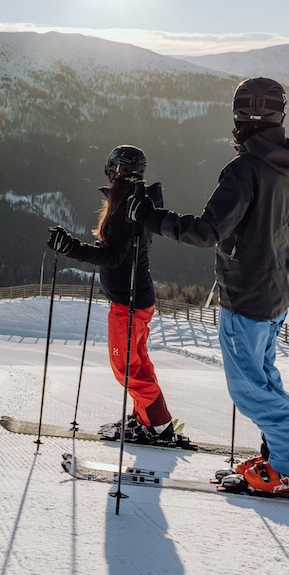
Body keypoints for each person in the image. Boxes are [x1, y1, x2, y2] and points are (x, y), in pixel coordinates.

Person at [128, 77, 289, 496]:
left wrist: (152, 216)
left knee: (249, 390)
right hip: (275, 290)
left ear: (241, 117)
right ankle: (283, 458)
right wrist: (260, 224)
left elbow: (207, 232)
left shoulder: (244, 169)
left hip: (247, 296)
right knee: (266, 380)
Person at [46, 145, 190, 447]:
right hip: (137, 298)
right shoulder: (138, 202)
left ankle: (157, 425)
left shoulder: (128, 207)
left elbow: (113, 256)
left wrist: (72, 248)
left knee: (125, 366)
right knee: (138, 362)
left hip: (129, 302)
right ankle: (150, 419)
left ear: (114, 170)